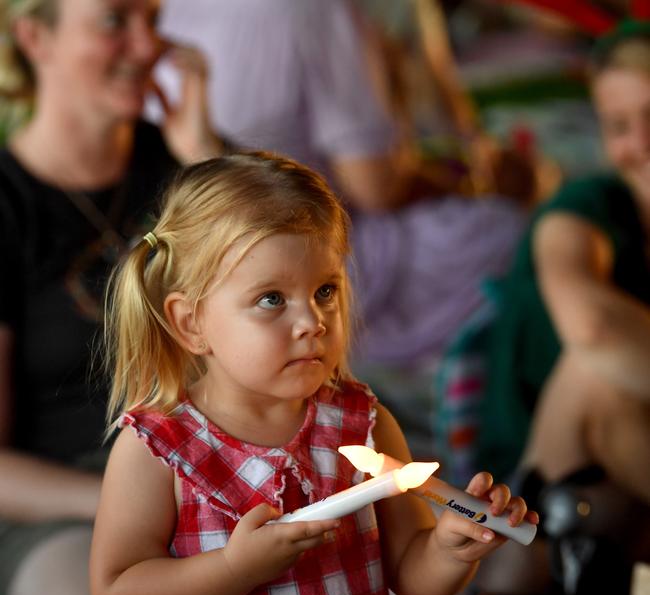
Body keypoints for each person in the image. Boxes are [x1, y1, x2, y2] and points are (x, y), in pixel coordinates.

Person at [87, 151, 535, 595]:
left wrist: (451, 548)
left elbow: (408, 573)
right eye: (272, 299)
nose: (311, 321)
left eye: (325, 291)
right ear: (190, 321)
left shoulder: (359, 424)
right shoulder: (158, 447)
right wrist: (234, 566)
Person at [0, 0, 225, 595]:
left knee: (444, 564)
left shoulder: (187, 164)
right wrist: (132, 504)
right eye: (114, 22)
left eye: (153, 18)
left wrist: (202, 157)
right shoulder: (7, 206)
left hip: (222, 465)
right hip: (66, 500)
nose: (148, 44)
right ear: (35, 37)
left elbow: (298, 298)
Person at [468, 18, 650, 595]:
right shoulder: (583, 209)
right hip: (531, 498)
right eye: (617, 125)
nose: (637, 143)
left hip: (624, 494)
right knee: (594, 375)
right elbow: (595, 327)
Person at [153, 0, 528, 371]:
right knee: (511, 229)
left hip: (197, 236)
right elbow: (376, 188)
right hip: (299, 247)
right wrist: (469, 183)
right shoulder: (315, 9)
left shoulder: (159, 10)